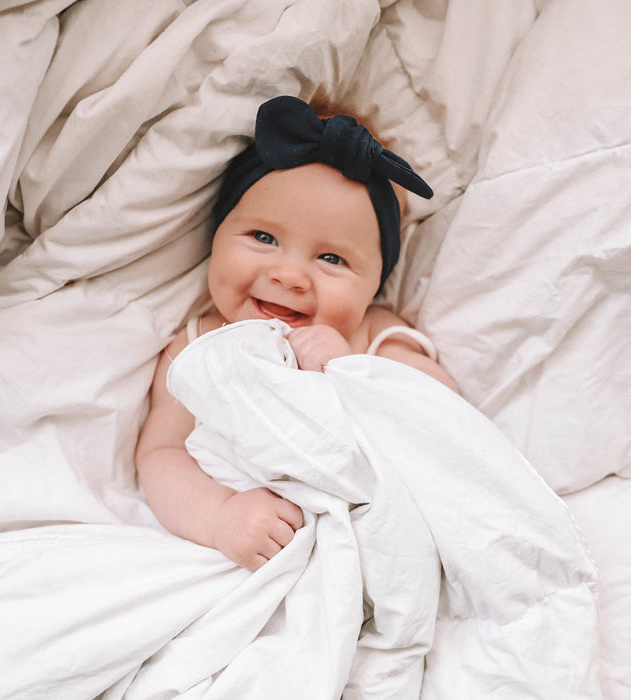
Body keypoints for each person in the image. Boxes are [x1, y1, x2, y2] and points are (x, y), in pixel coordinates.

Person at [135, 96, 458, 572]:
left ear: (375, 286)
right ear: (216, 236)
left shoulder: (374, 335)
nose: (289, 276)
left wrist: (352, 370)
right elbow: (161, 455)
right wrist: (220, 516)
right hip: (250, 551)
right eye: (264, 238)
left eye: (332, 259)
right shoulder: (195, 346)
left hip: (370, 543)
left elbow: (442, 415)